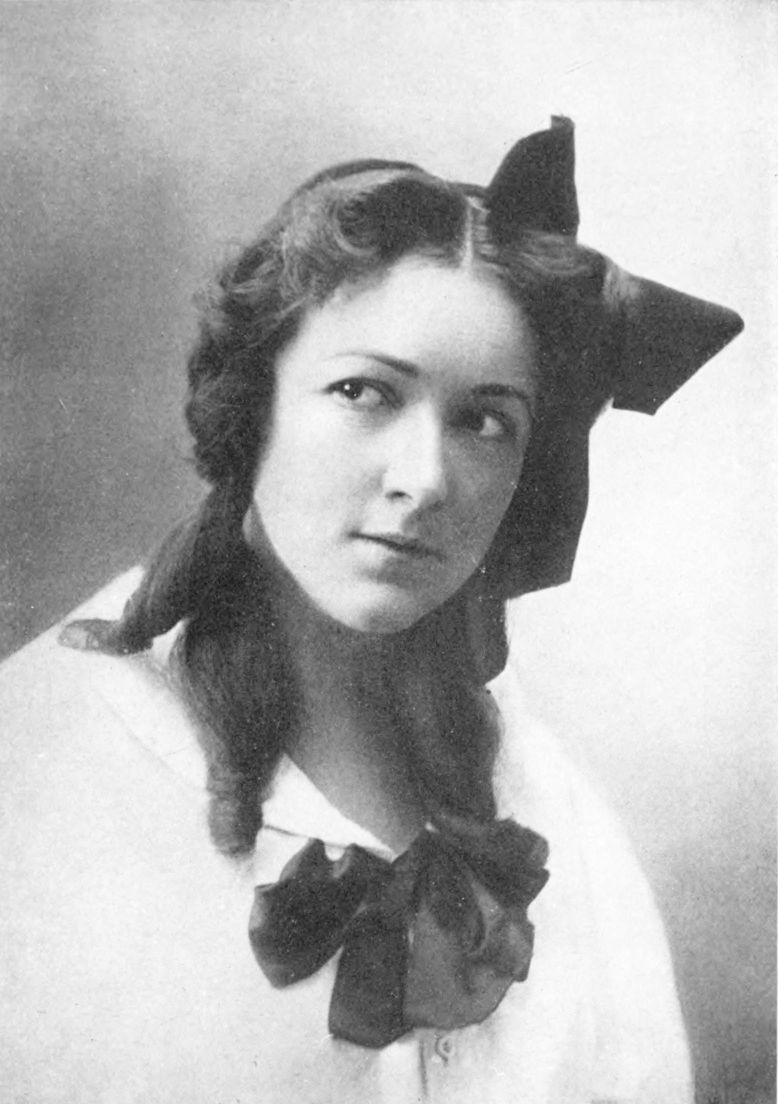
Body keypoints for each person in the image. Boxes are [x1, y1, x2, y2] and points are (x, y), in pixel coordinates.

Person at [0, 117, 742, 1103]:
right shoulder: (39, 771)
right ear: (254, 405)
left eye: (485, 421)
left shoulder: (547, 806)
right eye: (364, 392)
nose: (424, 479)